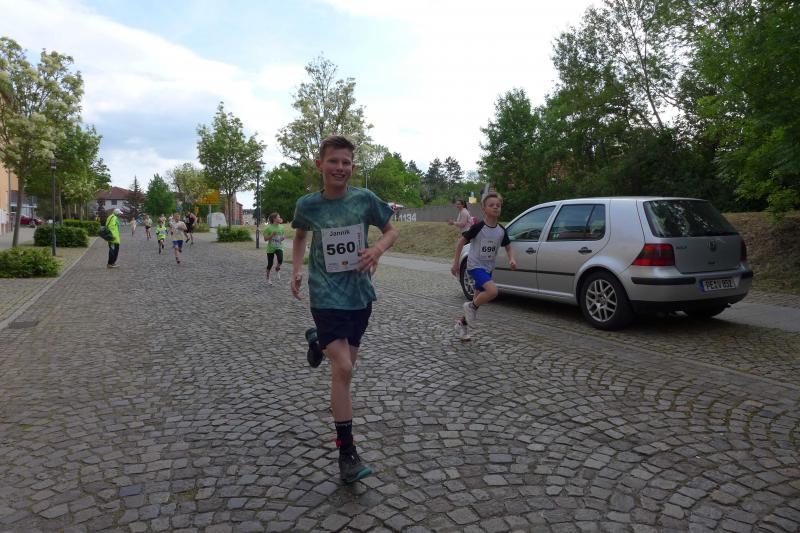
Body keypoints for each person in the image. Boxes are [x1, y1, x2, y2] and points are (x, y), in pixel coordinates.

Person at [291, 135, 398, 484]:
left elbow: (391, 231)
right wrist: (296, 269)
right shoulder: (308, 205)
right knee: (344, 367)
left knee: (345, 370)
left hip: (359, 296)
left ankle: (317, 341)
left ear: (352, 166)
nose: (340, 168)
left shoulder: (364, 199)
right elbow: (299, 236)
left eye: (346, 162)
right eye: (333, 161)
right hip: (325, 295)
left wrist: (377, 250)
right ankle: (347, 452)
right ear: (320, 165)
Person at [451, 192, 516, 341]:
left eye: (498, 205)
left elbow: (508, 246)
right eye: (491, 205)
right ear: (484, 209)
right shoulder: (478, 227)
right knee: (492, 291)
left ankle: (462, 325)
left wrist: (512, 259)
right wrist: (455, 263)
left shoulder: (501, 230)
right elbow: (461, 242)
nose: (495, 207)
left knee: (477, 301)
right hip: (475, 266)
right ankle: (470, 307)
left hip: (488, 269)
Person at [263, 212, 285, 285]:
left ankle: (277, 268)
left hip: (279, 246)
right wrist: (271, 235)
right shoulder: (268, 228)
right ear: (274, 219)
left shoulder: (282, 227)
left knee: (280, 259)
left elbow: (282, 236)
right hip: (271, 248)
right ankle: (268, 278)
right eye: (278, 217)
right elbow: (265, 239)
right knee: (270, 264)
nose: (280, 218)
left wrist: (282, 238)